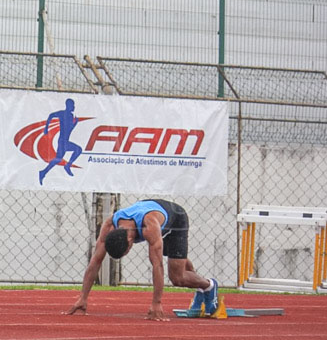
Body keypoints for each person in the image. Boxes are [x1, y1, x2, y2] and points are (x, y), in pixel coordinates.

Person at [65, 198, 218, 321]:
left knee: (177, 278)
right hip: (151, 210)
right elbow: (95, 262)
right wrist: (82, 298)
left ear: (131, 240)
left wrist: (156, 303)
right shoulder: (110, 225)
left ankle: (209, 285)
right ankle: (196, 282)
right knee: (176, 258)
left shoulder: (149, 226)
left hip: (176, 218)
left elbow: (157, 265)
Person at [39, 98, 82, 185]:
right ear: (68, 106)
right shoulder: (62, 113)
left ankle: (43, 172)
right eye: (72, 105)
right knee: (78, 150)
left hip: (65, 141)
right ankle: (67, 165)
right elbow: (51, 115)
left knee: (58, 159)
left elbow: (69, 130)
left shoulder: (70, 116)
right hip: (62, 141)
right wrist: (46, 128)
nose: (74, 107)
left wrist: (74, 124)